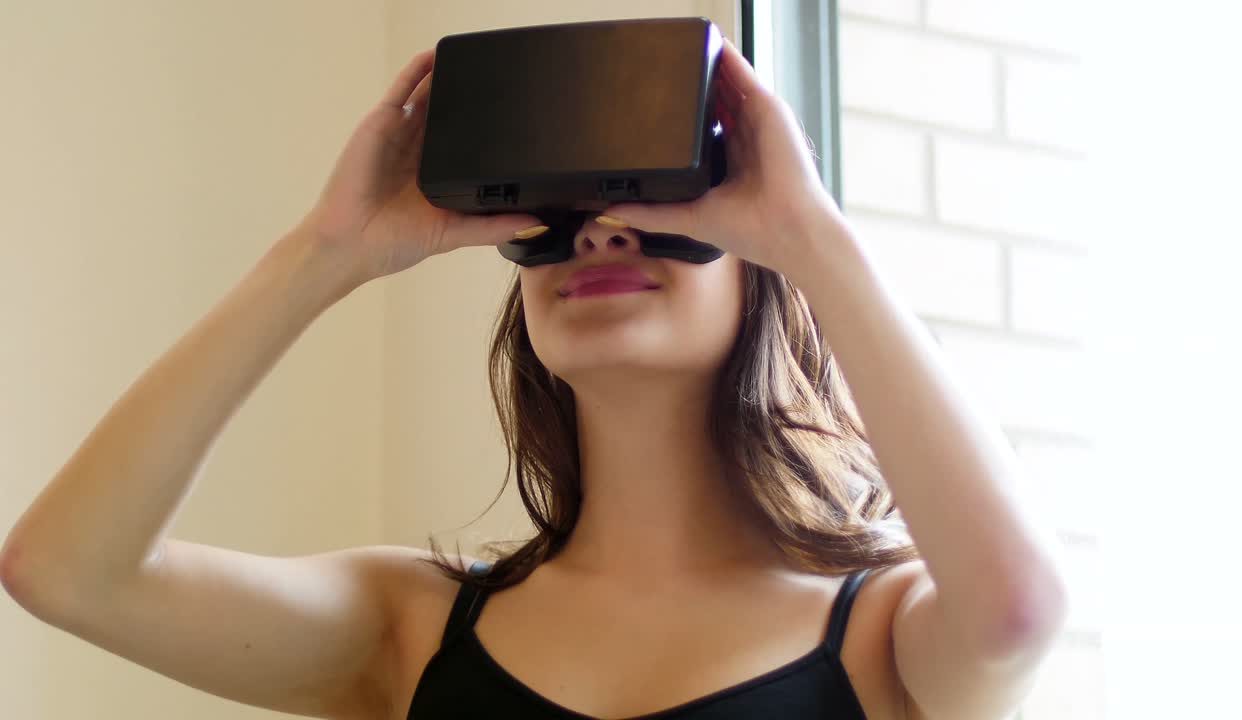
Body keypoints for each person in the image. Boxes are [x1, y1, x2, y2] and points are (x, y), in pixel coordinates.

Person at [0, 33, 1069, 720]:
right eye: (552, 223)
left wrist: (815, 239)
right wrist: (324, 252)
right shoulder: (412, 622)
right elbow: (63, 571)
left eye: (658, 209)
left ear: (766, 274)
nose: (599, 238)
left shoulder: (884, 630)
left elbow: (1016, 609)